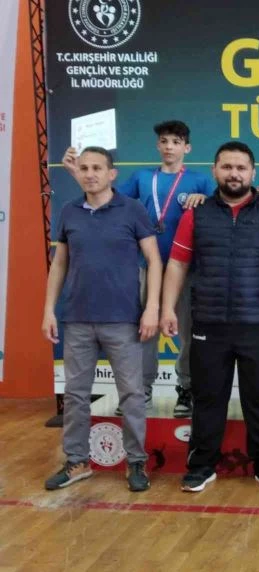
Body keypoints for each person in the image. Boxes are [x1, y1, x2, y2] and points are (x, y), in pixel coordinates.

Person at [160, 141, 259, 493]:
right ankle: (201, 465)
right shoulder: (196, 214)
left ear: (253, 172)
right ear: (215, 171)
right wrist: (166, 307)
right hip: (208, 324)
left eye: (241, 168)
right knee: (208, 398)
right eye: (227, 167)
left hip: (258, 324)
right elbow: (177, 263)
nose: (234, 174)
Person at [63, 121, 214, 418]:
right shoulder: (143, 178)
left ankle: (187, 388)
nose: (169, 146)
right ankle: (142, 389)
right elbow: (106, 195)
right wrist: (75, 171)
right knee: (145, 331)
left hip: (187, 270)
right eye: (164, 141)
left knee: (189, 332)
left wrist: (207, 200)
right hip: (146, 268)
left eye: (176, 142)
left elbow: (223, 203)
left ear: (187, 148)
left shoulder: (199, 180)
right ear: (157, 145)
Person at [42, 147, 161, 492]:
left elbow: (154, 260)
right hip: (77, 319)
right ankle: (77, 462)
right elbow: (59, 263)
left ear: (112, 174)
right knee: (76, 395)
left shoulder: (133, 209)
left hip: (123, 319)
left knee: (132, 395)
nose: (90, 173)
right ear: (77, 173)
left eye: (97, 168)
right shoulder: (68, 211)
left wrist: (152, 307)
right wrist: (48, 309)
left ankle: (136, 462)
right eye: (84, 168)